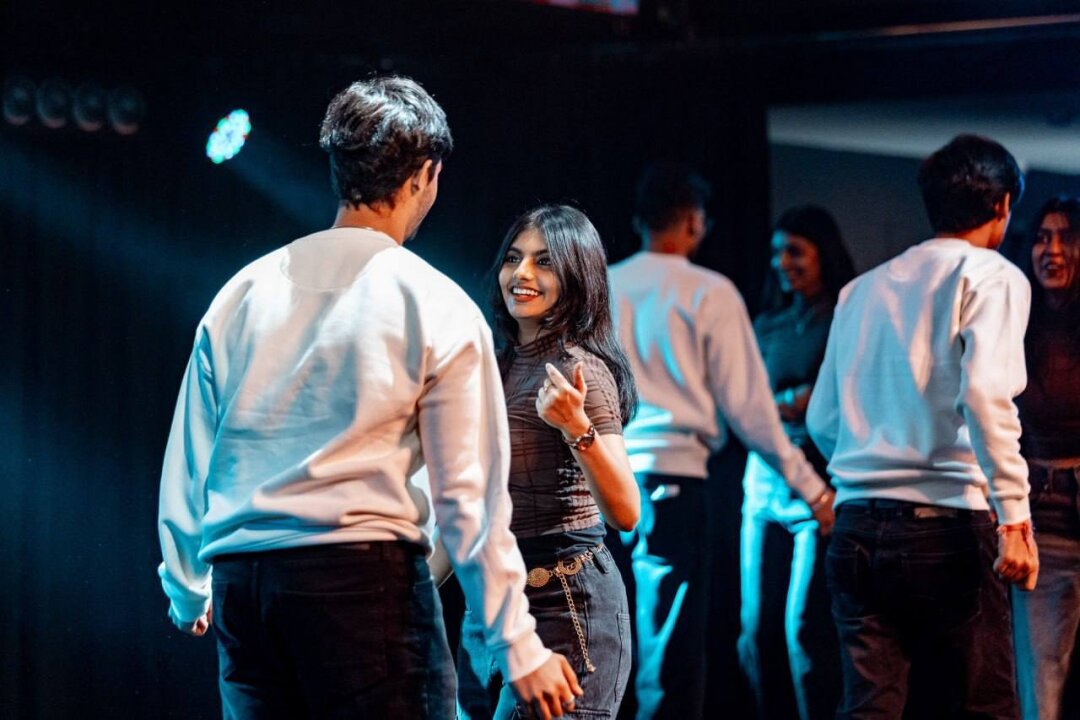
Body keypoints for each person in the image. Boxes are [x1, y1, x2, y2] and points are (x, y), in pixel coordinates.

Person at [156, 76, 581, 720]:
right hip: (363, 591)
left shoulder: (241, 293)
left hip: (246, 592)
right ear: (425, 175)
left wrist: (188, 587)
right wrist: (518, 645)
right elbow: (468, 499)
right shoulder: (434, 303)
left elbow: (192, 459)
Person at [806, 134, 1040, 719]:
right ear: (1003, 205)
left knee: (870, 710)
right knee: (980, 705)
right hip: (948, 525)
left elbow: (822, 418)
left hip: (856, 526)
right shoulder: (991, 274)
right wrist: (1014, 516)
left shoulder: (860, 289)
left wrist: (868, 471)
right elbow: (985, 393)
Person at [608, 163, 834, 720]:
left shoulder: (605, 284)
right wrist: (812, 489)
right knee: (672, 651)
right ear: (693, 221)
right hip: (675, 482)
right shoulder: (707, 291)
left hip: (606, 478)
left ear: (639, 220)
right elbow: (750, 412)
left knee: (615, 641)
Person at [454, 205, 640, 719]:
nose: (522, 274)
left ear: (576, 276)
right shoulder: (494, 366)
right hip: (490, 610)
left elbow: (626, 512)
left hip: (566, 603)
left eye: (544, 262)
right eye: (513, 258)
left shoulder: (580, 371)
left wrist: (575, 425)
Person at [738, 205, 854, 720]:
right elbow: (744, 403)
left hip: (818, 488)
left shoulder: (844, 318)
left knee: (803, 629)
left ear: (822, 254)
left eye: (795, 251)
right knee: (755, 629)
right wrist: (789, 400)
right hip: (763, 484)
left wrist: (788, 402)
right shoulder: (767, 323)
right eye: (776, 252)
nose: (782, 262)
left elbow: (839, 399)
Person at [1011, 196, 1080, 720]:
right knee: (1042, 679)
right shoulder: (1016, 323)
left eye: (1066, 237)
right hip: (1045, 519)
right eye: (1041, 237)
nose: (1052, 249)